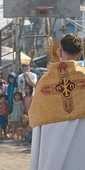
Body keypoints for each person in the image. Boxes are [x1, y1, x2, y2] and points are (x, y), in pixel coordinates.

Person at [29, 33, 85, 170]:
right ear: (80, 54)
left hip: (51, 142)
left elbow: (35, 117)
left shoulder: (44, 82)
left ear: (59, 52)